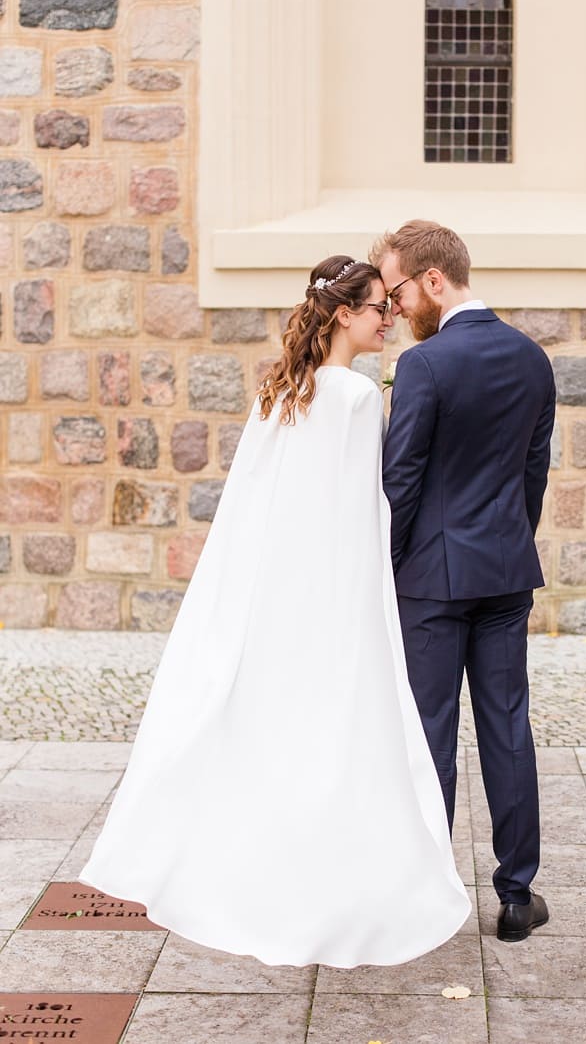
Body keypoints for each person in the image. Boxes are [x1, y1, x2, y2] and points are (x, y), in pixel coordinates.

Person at [80, 256, 472, 968]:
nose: (389, 318)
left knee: (280, 728)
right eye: (380, 307)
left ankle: (262, 867)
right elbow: (363, 511)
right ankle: (333, 885)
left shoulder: (281, 390)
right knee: (343, 732)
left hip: (276, 590)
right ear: (346, 314)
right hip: (336, 589)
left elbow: (253, 509)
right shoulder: (354, 397)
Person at [372, 220, 556, 942]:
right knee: (508, 725)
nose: (395, 307)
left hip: (433, 580)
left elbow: (402, 478)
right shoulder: (532, 358)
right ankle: (517, 896)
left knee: (430, 731)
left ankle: (430, 889)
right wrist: (508, 542)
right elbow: (532, 476)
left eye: (397, 290)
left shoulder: (426, 364)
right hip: (507, 570)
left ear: (433, 280)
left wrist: (386, 569)